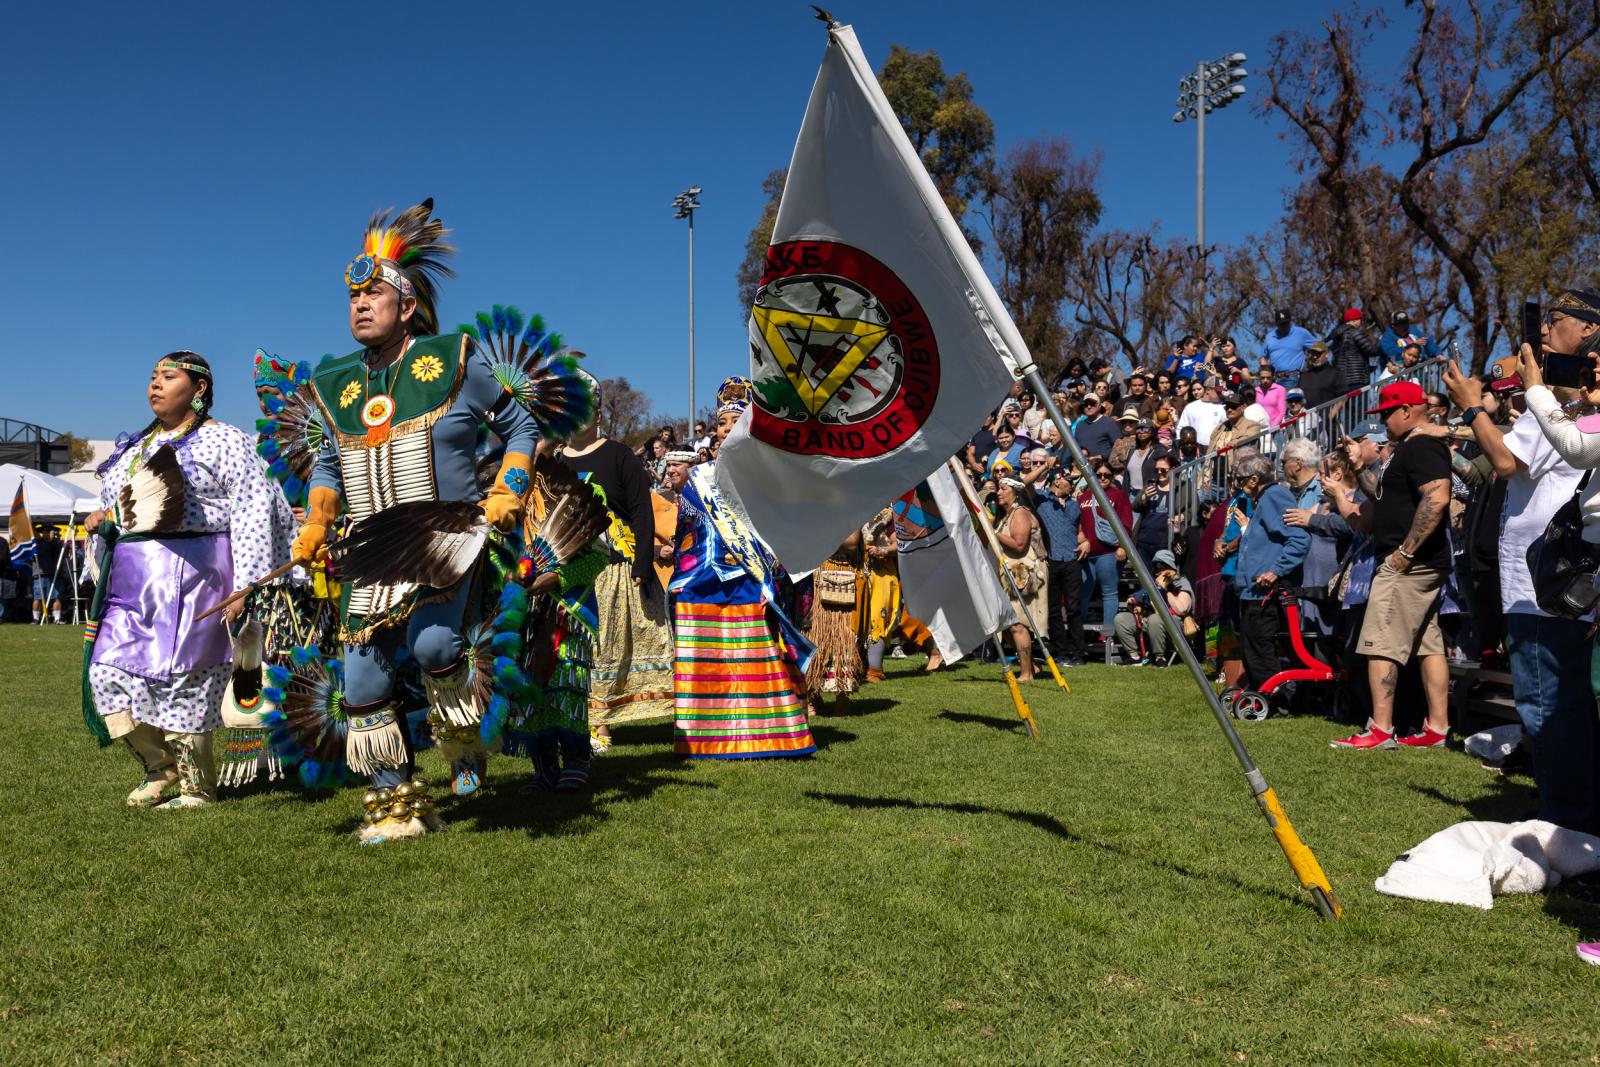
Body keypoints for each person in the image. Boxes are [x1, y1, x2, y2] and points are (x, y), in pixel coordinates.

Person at [292, 200, 542, 839]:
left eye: (374, 293)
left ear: (406, 307)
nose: (359, 304)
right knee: (362, 674)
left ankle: (462, 735)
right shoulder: (335, 381)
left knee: (433, 644)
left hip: (444, 537)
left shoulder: (451, 360)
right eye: (353, 296)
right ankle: (399, 806)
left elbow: (520, 424)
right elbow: (328, 460)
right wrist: (317, 522)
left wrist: (507, 489)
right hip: (369, 548)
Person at [83, 353, 286, 809]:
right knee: (106, 673)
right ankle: (160, 767)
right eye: (153, 376)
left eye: (168, 377)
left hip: (197, 573)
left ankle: (198, 787)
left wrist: (246, 583)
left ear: (198, 389)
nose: (155, 384)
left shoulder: (225, 442)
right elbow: (116, 506)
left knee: (184, 679)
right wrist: (102, 518)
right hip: (133, 578)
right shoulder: (134, 448)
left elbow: (255, 509)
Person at [1459, 294, 1598, 827]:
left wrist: (1472, 407)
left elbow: (1502, 461)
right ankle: (1564, 806)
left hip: (1547, 585)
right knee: (1555, 705)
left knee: (1549, 706)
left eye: (1555, 321)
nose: (1542, 331)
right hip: (1551, 579)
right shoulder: (1563, 405)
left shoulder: (1563, 409)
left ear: (1589, 329)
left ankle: (1567, 819)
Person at [670, 377, 815, 758]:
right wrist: (684, 574)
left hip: (753, 578)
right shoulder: (698, 478)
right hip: (707, 577)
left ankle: (769, 734)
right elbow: (687, 533)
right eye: (722, 424)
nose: (726, 430)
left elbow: (784, 529)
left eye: (736, 423)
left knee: (760, 655)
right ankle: (706, 736)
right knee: (713, 655)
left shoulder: (769, 478)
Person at [1332, 381, 1454, 749]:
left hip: (1409, 563)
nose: (1383, 421)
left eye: (1386, 413)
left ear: (1406, 411)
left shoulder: (1421, 446)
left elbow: (1438, 497)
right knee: (1427, 643)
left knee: (1381, 642)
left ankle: (1381, 729)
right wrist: (1360, 467)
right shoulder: (1409, 448)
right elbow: (1385, 500)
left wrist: (1405, 552)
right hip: (1420, 562)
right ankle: (1437, 728)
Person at [559, 396, 676, 748]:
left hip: (616, 567)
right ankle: (585, 720)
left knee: (609, 644)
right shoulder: (554, 460)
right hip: (569, 568)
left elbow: (642, 510)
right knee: (580, 647)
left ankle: (607, 723)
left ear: (596, 414)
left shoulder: (619, 455)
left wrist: (643, 560)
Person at [1232, 452, 1311, 694]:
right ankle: (1262, 693)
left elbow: (1299, 539)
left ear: (1254, 479)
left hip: (1265, 593)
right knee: (1253, 647)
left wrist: (1275, 571)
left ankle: (1275, 697)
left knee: (1260, 647)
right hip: (1252, 592)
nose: (1237, 485)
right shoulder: (1264, 500)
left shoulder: (1274, 497)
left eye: (1239, 479)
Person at [994, 477, 1047, 681]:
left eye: (1003, 489)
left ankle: (1026, 674)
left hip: (1026, 574)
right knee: (1009, 624)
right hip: (1015, 573)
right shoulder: (1010, 514)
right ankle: (1031, 666)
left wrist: (993, 533)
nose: (998, 492)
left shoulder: (1020, 513)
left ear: (1015, 492)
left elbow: (1018, 544)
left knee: (1018, 624)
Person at [805, 532, 864, 714]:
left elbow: (852, 543)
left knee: (842, 642)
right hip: (817, 578)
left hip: (842, 581)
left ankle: (842, 700)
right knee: (813, 639)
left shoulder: (848, 512)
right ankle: (813, 697)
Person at [1035, 468, 1085, 666]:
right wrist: (1045, 466)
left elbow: (1079, 531)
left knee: (1074, 608)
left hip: (1072, 558)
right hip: (1051, 560)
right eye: (1069, 481)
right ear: (1057, 482)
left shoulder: (1074, 504)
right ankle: (1060, 653)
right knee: (1053, 609)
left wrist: (1085, 541)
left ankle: (1078, 654)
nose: (1072, 484)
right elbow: (1025, 484)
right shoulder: (1041, 499)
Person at [1113, 549, 1193, 665]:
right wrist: (1136, 604)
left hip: (1175, 623)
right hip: (1150, 621)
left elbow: (1182, 609)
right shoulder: (1152, 584)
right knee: (1121, 619)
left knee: (1155, 619)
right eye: (1154, 565)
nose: (1156, 569)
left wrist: (1166, 590)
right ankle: (1134, 657)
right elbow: (1141, 599)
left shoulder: (1181, 583)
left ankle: (1160, 657)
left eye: (1159, 565)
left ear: (1168, 566)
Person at [1078, 463, 1133, 628]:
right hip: (1086, 554)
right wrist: (1079, 533)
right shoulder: (1083, 496)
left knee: (1109, 593)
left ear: (1112, 477)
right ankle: (1078, 631)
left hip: (1108, 552)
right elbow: (1078, 520)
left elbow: (1126, 523)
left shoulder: (1118, 495)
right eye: (1099, 474)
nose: (1102, 478)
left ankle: (1108, 633)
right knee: (1083, 591)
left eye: (1107, 475)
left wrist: (1122, 546)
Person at [861, 508, 903, 682]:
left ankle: (874, 670)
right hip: (857, 573)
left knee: (878, 618)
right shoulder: (850, 509)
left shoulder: (886, 515)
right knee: (858, 620)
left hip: (881, 574)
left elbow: (898, 544)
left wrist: (881, 550)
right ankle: (857, 667)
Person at [1328, 308, 1385, 394]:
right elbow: (1371, 350)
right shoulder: (1354, 332)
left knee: (1346, 407)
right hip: (1357, 379)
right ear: (1354, 320)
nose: (1360, 322)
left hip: (1341, 380)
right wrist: (1382, 342)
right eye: (1359, 319)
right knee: (1359, 406)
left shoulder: (1336, 337)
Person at [1261, 310, 1316, 386]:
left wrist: (1310, 366)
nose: (1283, 326)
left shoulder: (1301, 333)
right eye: (1281, 324)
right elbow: (1263, 358)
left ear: (1290, 322)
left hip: (1293, 378)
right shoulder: (1269, 337)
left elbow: (1317, 348)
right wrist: (1265, 373)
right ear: (1276, 324)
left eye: (1285, 323)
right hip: (1274, 380)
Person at [1176, 378, 1227, 447]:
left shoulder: (1222, 407)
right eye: (1218, 392)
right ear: (1208, 390)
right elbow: (1181, 428)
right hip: (1196, 450)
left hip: (1215, 449)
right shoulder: (1191, 407)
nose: (1220, 394)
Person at [1073, 393, 1122, 463]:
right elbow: (1076, 446)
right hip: (1084, 466)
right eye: (1086, 404)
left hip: (1104, 466)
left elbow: (1118, 445)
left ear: (1099, 406)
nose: (1089, 406)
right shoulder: (1079, 425)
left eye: (1092, 404)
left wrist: (1102, 456)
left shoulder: (1109, 422)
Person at [1298, 340, 1343, 407]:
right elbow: (1298, 397)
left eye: (1318, 354)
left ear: (1326, 355)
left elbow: (1342, 397)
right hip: (1307, 416)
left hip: (1325, 415)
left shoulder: (1336, 373)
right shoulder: (1304, 375)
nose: (1315, 357)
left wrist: (1331, 415)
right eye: (1313, 354)